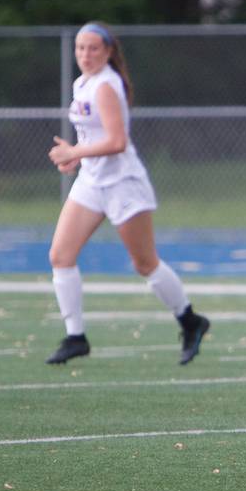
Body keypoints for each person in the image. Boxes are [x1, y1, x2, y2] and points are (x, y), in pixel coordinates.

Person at [45, 21, 209, 365]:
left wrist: (74, 153)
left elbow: (117, 142)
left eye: (92, 48)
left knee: (144, 263)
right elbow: (95, 138)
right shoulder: (82, 83)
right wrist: (76, 155)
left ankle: (190, 321)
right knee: (60, 255)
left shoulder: (106, 84)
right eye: (79, 48)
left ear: (108, 52)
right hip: (92, 181)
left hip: (123, 183)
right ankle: (76, 337)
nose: (85, 55)